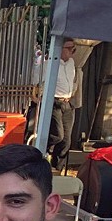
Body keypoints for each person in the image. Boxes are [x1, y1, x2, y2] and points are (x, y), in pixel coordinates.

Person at [32, 39, 79, 171]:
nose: (72, 52)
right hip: (54, 101)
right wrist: (34, 96)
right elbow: (35, 79)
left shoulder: (71, 63)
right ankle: (41, 151)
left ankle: (56, 168)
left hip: (67, 102)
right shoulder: (49, 64)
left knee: (66, 141)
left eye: (73, 49)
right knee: (58, 135)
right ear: (60, 48)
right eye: (69, 49)